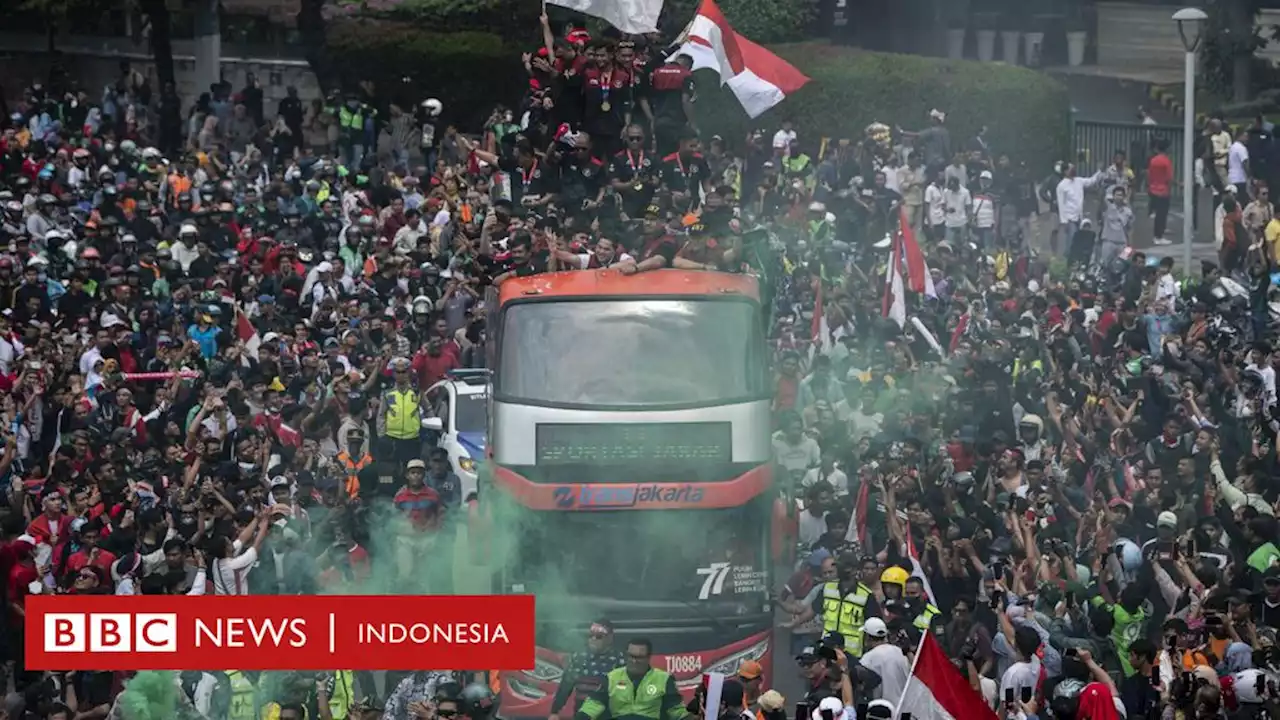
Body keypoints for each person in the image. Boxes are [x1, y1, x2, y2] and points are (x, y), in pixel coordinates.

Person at [575, 638, 688, 720]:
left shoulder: (663, 678)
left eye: (639, 657)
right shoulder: (612, 677)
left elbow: (675, 709)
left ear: (648, 657)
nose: (634, 661)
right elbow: (594, 703)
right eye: (631, 656)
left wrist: (688, 717)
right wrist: (583, 716)